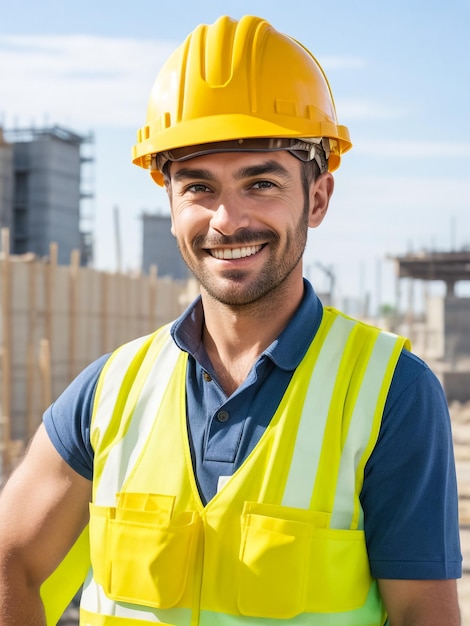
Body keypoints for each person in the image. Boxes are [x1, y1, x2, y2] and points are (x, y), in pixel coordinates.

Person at [0, 14, 462, 626]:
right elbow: (13, 560)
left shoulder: (389, 394)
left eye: (261, 183)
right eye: (198, 187)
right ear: (170, 204)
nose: (227, 219)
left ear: (316, 199)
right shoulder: (110, 390)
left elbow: (421, 617)